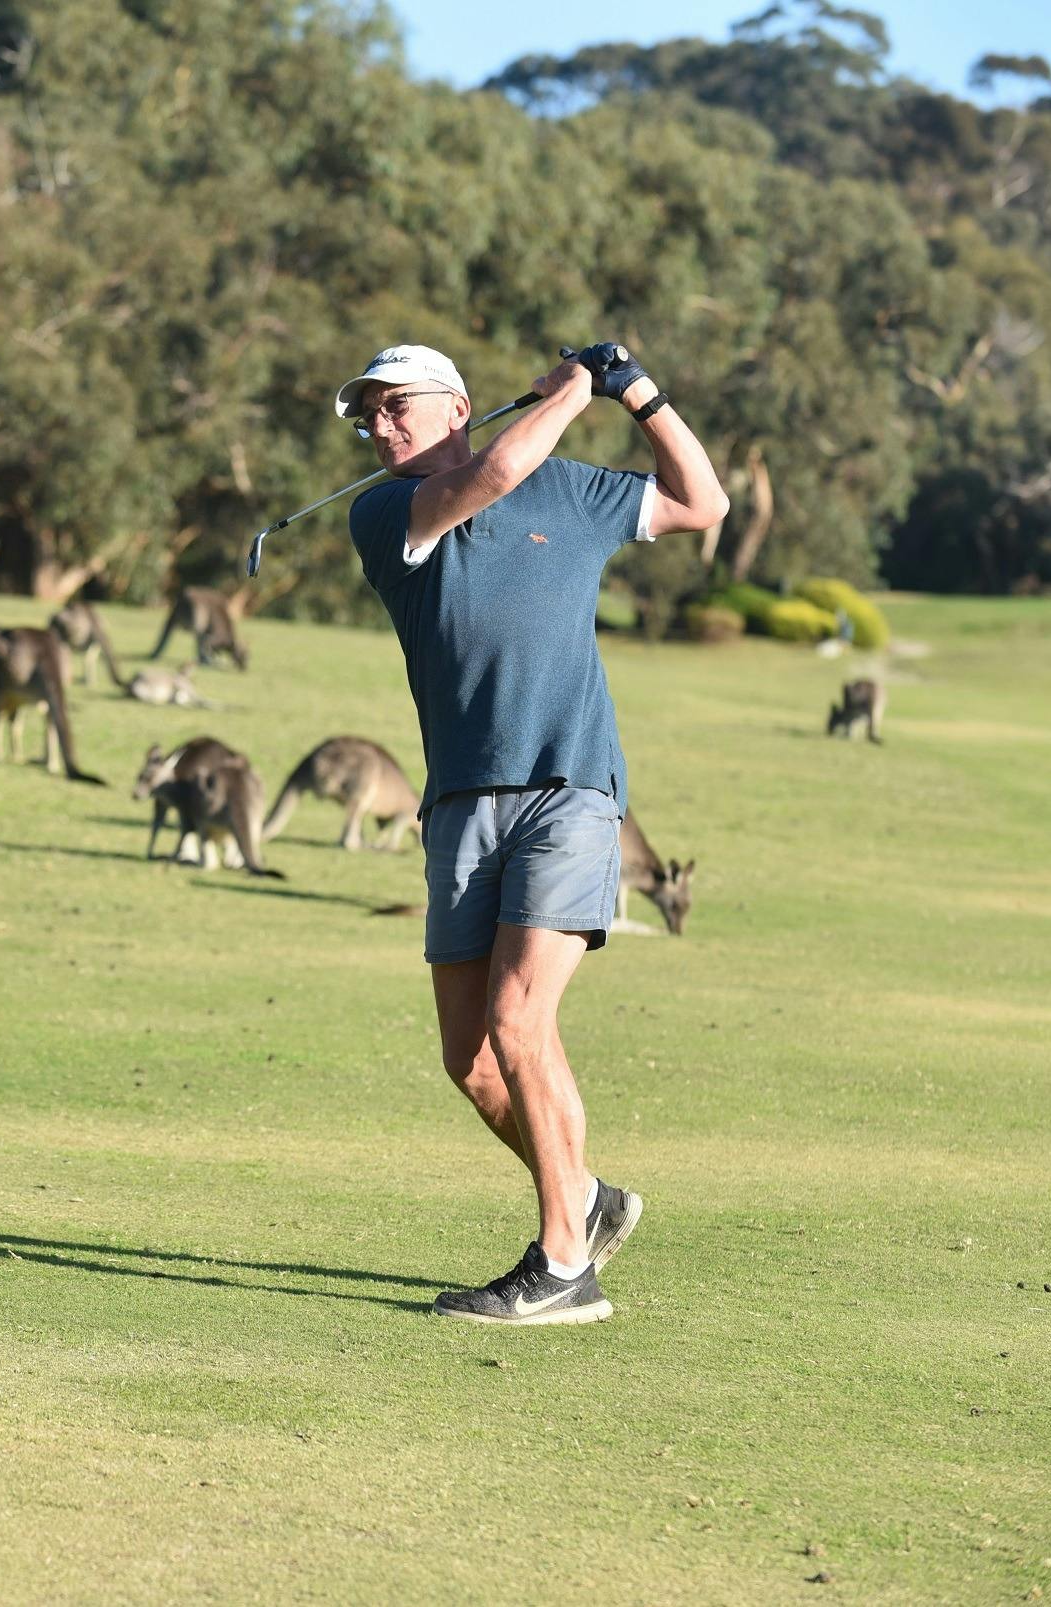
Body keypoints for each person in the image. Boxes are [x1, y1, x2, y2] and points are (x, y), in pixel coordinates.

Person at [339, 342, 730, 1324]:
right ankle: (584, 1200)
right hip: (461, 804)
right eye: (367, 415)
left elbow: (703, 503)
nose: (379, 427)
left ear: (456, 404)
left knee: (520, 1020)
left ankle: (563, 1264)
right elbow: (497, 471)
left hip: (569, 789)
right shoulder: (384, 512)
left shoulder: (573, 490)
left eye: (395, 407)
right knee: (470, 1059)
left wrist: (638, 393)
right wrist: (568, 393)